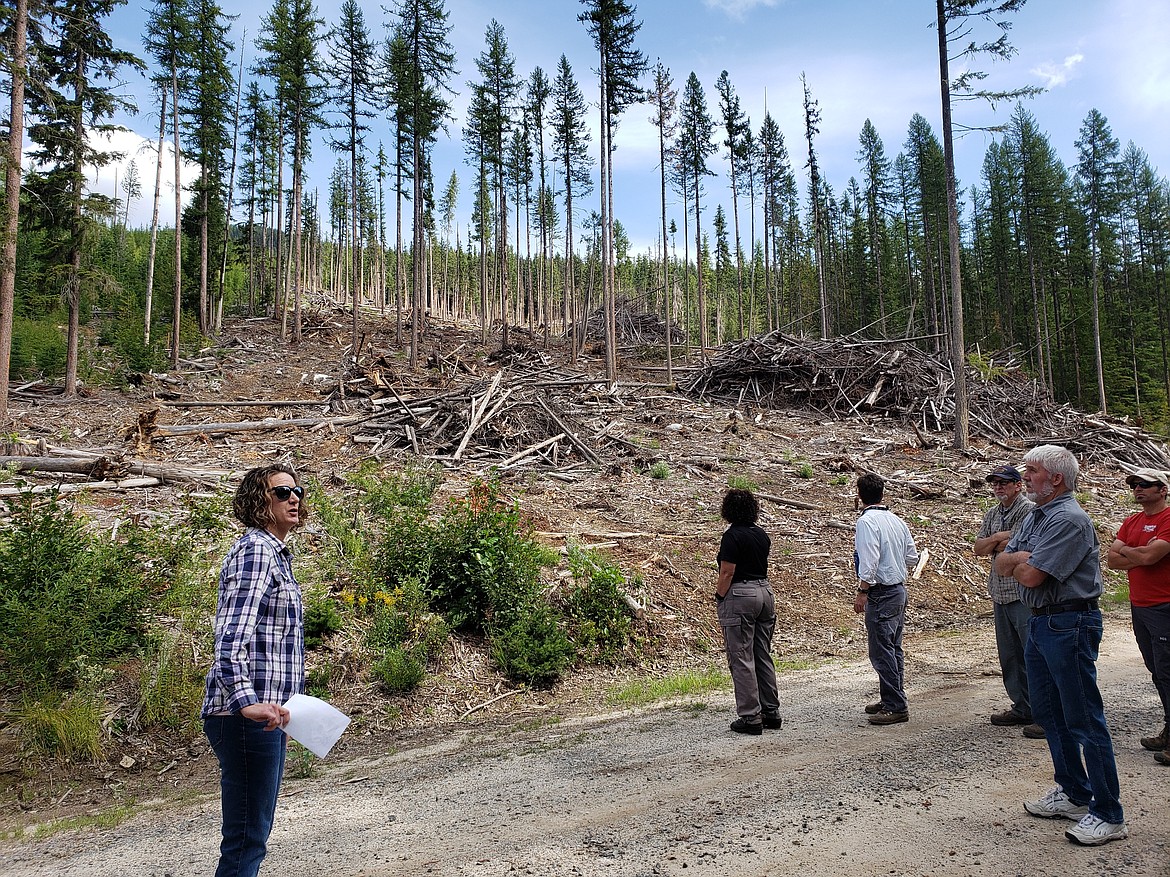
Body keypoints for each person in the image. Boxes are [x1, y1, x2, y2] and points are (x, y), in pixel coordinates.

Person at [995, 445, 1127, 846]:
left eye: (1031, 471)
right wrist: (1020, 557)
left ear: (1055, 478)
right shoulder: (1037, 514)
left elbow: (1031, 577)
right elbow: (1002, 563)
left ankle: (1108, 813)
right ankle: (1073, 793)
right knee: (1051, 715)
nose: (1026, 477)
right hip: (1042, 622)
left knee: (1083, 718)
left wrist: (1019, 559)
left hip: (1070, 622)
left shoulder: (1069, 519)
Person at [202, 464, 308, 877]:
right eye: (282, 492)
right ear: (258, 501)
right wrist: (246, 702)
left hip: (269, 716)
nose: (294, 498)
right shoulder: (256, 552)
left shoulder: (275, 555)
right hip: (245, 717)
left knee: (251, 836)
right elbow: (231, 638)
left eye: (297, 490)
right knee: (246, 840)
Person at [973, 464, 1043, 739]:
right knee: (1010, 656)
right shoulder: (992, 513)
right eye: (995, 483)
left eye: (1004, 482)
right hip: (999, 593)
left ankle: (1042, 712)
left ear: (1017, 485)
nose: (999, 487)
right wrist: (999, 538)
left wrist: (999, 540)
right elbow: (979, 548)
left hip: (1022, 592)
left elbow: (1025, 543)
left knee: (1032, 653)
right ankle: (1021, 706)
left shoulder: (1028, 509)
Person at [1106, 467, 1170, 765]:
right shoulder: (1131, 520)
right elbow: (1111, 560)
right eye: (1135, 485)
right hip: (1140, 605)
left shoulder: (1168, 519)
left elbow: (1146, 557)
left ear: (1162, 490)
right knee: (1156, 670)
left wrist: (1134, 552)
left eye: (1146, 484)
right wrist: (1141, 551)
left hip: (1164, 605)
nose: (1138, 489)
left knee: (1168, 671)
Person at [714, 488, 782, 735]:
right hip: (765, 592)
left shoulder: (731, 536)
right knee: (762, 653)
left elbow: (727, 572)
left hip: (741, 595)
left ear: (728, 510)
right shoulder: (761, 534)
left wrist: (720, 596)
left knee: (741, 656)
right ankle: (770, 711)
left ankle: (750, 715)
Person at [853, 472, 919, 726]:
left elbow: (869, 559)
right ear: (882, 493)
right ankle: (891, 695)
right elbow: (912, 556)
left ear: (860, 495)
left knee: (881, 650)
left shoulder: (867, 522)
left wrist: (863, 590)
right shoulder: (896, 520)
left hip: (881, 592)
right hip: (898, 589)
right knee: (893, 648)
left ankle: (895, 704)